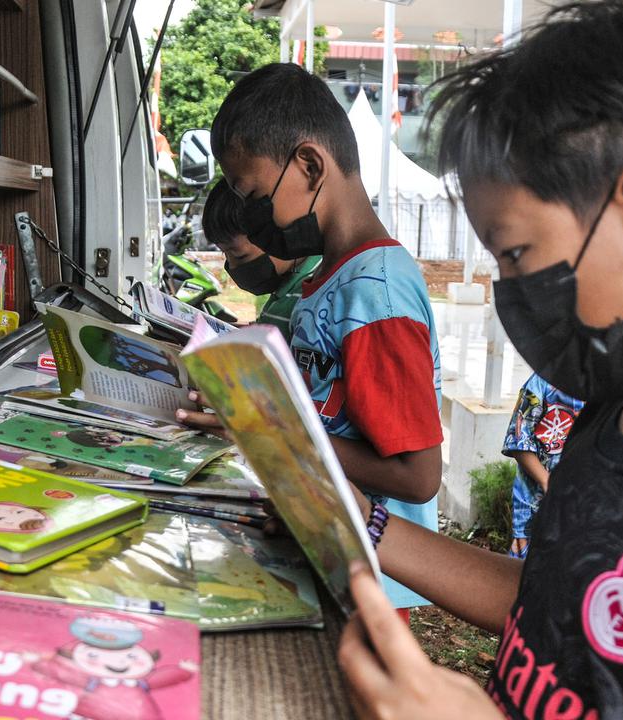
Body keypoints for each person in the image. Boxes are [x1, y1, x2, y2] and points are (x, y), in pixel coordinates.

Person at [337, 1, 623, 717]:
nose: (512, 294)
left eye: (516, 254)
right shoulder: (617, 406)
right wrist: (361, 520)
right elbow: (555, 598)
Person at [182, 62, 444, 616]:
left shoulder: (376, 294)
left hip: (371, 569)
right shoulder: (334, 276)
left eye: (255, 196)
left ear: (308, 165)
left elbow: (416, 476)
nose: (254, 222)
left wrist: (263, 427)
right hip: (333, 546)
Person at [200, 179, 321, 340]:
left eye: (239, 255)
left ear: (278, 230)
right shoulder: (285, 288)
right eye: (225, 254)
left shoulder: (313, 292)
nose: (232, 266)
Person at [502, 372, 584, 558]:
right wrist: (548, 482)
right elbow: (518, 441)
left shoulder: (610, 391)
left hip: (582, 510)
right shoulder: (540, 383)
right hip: (535, 506)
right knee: (526, 572)